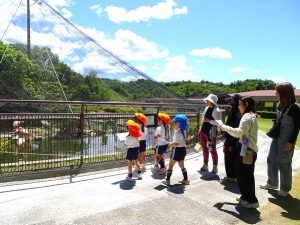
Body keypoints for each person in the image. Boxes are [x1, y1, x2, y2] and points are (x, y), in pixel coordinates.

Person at [218, 96, 259, 208]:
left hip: (247, 151)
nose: (238, 106)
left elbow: (239, 132)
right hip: (247, 149)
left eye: (240, 104)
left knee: (244, 175)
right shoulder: (250, 115)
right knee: (244, 174)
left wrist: (224, 127)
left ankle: (251, 200)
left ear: (245, 105)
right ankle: (246, 197)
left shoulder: (246, 116)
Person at [260, 82, 300, 197]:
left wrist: (291, 142)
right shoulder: (280, 104)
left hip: (287, 139)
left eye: (277, 91)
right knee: (271, 158)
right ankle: (272, 182)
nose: (275, 93)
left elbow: (297, 127)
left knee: (284, 163)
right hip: (277, 137)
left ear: (284, 93)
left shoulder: (294, 108)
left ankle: (285, 188)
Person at [162, 114, 190, 186]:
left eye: (175, 122)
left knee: (170, 166)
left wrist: (170, 144)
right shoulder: (184, 130)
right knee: (182, 165)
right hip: (183, 150)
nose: (173, 123)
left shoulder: (177, 133)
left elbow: (176, 143)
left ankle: (167, 181)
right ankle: (186, 180)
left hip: (176, 151)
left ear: (179, 123)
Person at [220, 94, 242, 183]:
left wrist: (232, 143)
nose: (229, 105)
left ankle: (231, 176)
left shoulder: (236, 114)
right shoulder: (235, 112)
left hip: (232, 140)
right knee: (229, 158)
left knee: (230, 158)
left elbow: (235, 129)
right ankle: (231, 176)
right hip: (230, 139)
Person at [198, 94, 222, 173]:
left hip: (212, 132)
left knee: (212, 149)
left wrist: (209, 121)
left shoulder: (217, 110)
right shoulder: (207, 108)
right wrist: (200, 129)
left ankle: (215, 166)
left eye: (208, 101)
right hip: (203, 131)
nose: (207, 102)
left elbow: (219, 123)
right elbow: (202, 119)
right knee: (204, 149)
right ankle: (205, 164)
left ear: (212, 102)